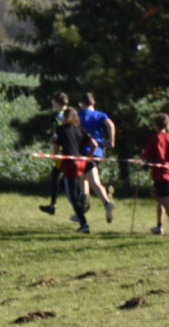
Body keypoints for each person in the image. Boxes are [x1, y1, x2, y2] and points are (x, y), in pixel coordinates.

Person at [53, 108, 97, 234]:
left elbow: (56, 149)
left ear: (67, 118)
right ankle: (81, 198)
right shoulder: (80, 129)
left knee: (71, 197)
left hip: (70, 164)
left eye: (64, 117)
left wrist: (55, 155)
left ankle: (84, 223)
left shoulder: (60, 130)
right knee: (64, 184)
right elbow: (94, 144)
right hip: (81, 163)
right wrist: (89, 157)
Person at [78, 93, 117, 223]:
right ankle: (83, 208)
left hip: (85, 151)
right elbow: (110, 125)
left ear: (82, 104)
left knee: (93, 181)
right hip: (98, 151)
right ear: (93, 103)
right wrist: (111, 140)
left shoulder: (80, 114)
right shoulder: (100, 115)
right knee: (84, 178)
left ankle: (106, 203)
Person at [39, 93, 71, 216]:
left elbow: (59, 134)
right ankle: (54, 204)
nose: (52, 103)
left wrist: (55, 151)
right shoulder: (70, 112)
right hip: (70, 150)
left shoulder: (59, 116)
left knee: (56, 176)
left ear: (57, 102)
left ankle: (53, 205)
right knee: (60, 176)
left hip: (64, 151)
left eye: (53, 101)